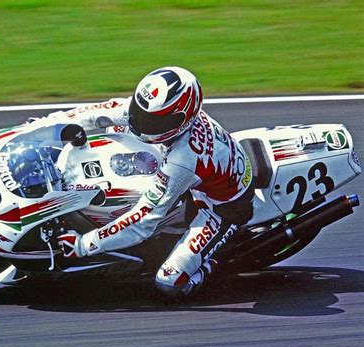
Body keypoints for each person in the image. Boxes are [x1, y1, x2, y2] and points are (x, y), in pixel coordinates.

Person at [52, 66, 254, 296]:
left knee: (169, 282)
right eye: (139, 111)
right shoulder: (151, 113)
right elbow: (90, 115)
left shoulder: (183, 158)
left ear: (181, 120)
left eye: (153, 121)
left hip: (221, 206)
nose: (140, 123)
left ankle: (213, 264)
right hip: (196, 171)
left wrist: (83, 245)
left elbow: (142, 222)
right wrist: (44, 127)